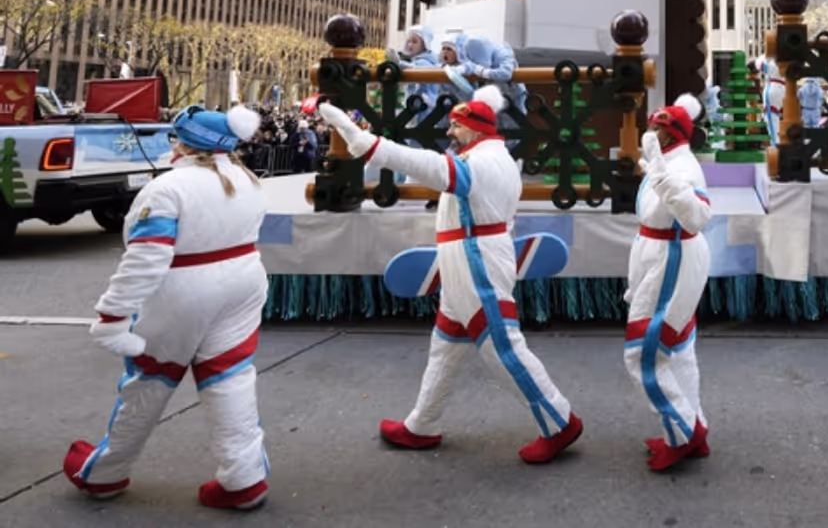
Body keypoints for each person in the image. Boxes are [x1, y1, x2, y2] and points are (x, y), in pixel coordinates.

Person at [318, 87, 583, 463]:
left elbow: (422, 164)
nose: (450, 132)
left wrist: (355, 133)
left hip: (477, 261)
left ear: (475, 129)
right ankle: (422, 424)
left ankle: (559, 421)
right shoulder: (488, 156)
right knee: (445, 348)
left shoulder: (482, 163)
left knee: (503, 348)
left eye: (457, 126)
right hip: (467, 259)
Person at [63, 104, 269, 510]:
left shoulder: (168, 187)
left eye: (176, 137)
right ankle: (245, 477)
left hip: (181, 290)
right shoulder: (247, 180)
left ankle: (106, 472)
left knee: (149, 383)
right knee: (230, 378)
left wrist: (113, 316)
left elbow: (145, 258)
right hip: (244, 282)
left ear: (187, 143)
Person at [628, 94, 713, 472]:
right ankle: (690, 425)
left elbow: (697, 216)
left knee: (644, 350)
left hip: (673, 256)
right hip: (659, 255)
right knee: (678, 349)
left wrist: (660, 174)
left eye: (660, 127)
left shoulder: (683, 168)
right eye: (653, 125)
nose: (653, 131)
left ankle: (681, 432)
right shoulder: (666, 162)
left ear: (674, 133)